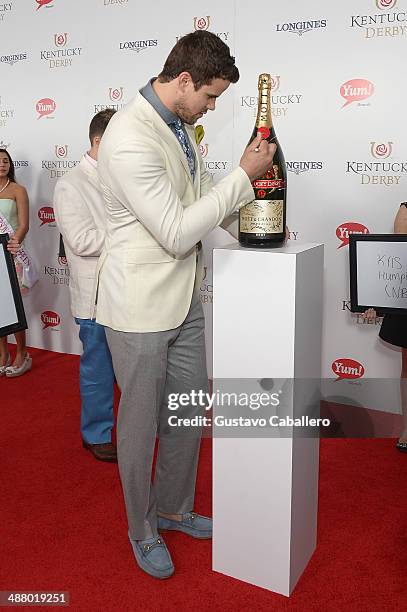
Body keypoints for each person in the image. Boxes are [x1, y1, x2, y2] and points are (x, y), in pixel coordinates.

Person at [95, 30, 276, 579]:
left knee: (184, 414)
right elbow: (175, 232)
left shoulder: (179, 124)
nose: (213, 107)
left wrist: (255, 227)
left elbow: (195, 200)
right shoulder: (129, 137)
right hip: (139, 308)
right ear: (183, 81)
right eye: (211, 96)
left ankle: (175, 509)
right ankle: (141, 528)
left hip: (185, 299)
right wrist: (243, 177)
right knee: (141, 425)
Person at [53, 109, 117, 463]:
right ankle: (96, 434)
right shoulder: (70, 184)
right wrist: (130, 232)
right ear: (98, 141)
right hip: (95, 296)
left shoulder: (121, 177)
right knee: (98, 366)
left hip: (128, 290)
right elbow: (81, 241)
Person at [363, 202, 407, 453]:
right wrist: (375, 301)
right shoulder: (406, 210)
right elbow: (398, 262)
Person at [0, 148, 31, 378]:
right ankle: (3, 354)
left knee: (15, 307)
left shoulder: (18, 190)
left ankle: (22, 353)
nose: (2, 164)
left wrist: (14, 243)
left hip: (11, 253)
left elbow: (23, 224)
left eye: (6, 161)